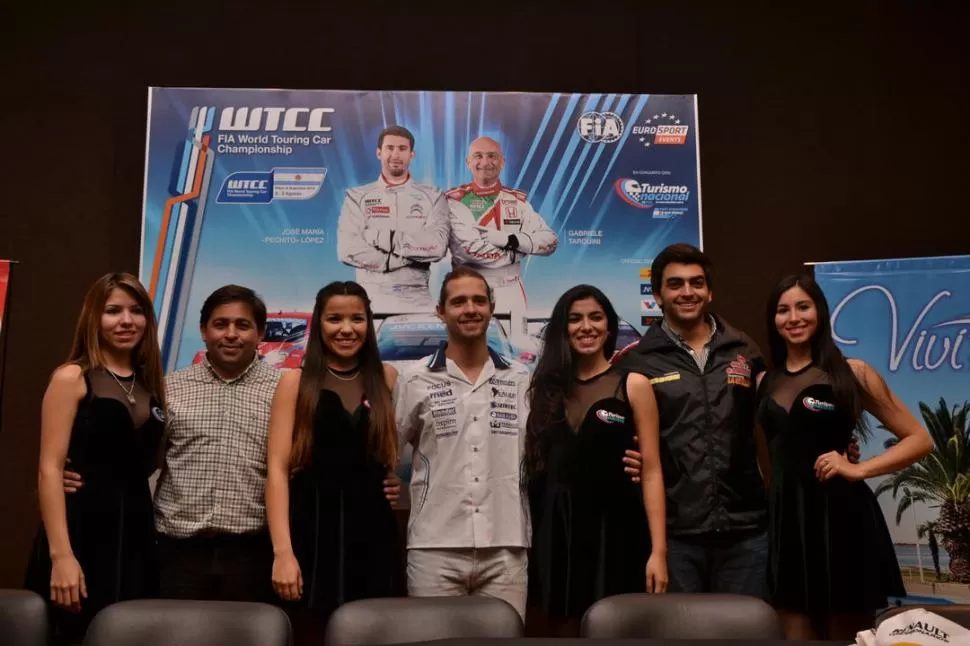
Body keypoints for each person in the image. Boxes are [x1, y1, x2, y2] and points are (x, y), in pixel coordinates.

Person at [757, 274, 931, 641]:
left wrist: (857, 468)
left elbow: (919, 440)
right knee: (793, 628)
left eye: (803, 307)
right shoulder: (764, 381)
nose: (794, 317)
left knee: (846, 636)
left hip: (840, 521)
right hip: (787, 523)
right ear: (773, 320)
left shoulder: (853, 373)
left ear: (819, 311)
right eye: (783, 310)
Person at [613, 243, 772, 598]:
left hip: (746, 531)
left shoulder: (743, 350)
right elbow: (613, 436)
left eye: (697, 283)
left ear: (710, 290)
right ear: (657, 294)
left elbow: (780, 414)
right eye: (676, 284)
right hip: (676, 536)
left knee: (745, 635)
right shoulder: (639, 362)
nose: (688, 292)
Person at [25, 273, 166, 645]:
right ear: (94, 318)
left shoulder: (149, 384)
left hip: (135, 536)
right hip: (81, 534)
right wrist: (62, 557)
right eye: (113, 311)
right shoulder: (72, 377)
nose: (126, 321)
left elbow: (144, 462)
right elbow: (50, 469)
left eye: (136, 311)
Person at [266, 281, 404, 644]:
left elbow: (393, 456)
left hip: (374, 536)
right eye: (335, 319)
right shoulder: (294, 383)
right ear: (319, 323)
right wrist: (283, 553)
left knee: (375, 633)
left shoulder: (388, 379)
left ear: (369, 323)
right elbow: (278, 472)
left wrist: (394, 482)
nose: (346, 328)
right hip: (311, 533)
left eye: (357, 318)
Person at [525, 285, 668, 636]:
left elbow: (650, 471)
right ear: (562, 328)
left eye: (595, 317)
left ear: (609, 326)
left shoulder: (633, 385)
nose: (585, 326)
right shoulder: (546, 388)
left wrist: (659, 551)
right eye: (575, 319)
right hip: (557, 535)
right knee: (562, 630)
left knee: (617, 628)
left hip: (616, 532)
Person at [393, 266, 533, 620]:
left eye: (478, 300)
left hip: (506, 545)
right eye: (458, 302)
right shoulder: (414, 379)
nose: (469, 309)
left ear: (491, 306)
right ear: (441, 311)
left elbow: (544, 450)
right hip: (434, 547)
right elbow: (386, 452)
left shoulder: (520, 378)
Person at [337, 125, 450, 314]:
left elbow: (437, 247)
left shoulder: (434, 196)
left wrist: (384, 238)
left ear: (412, 154)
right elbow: (347, 250)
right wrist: (398, 260)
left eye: (402, 149)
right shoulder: (357, 197)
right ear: (379, 153)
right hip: (369, 299)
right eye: (390, 148)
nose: (396, 155)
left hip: (417, 298)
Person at [446, 137, 558, 317]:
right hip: (468, 289)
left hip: (511, 290)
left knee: (514, 343)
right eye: (478, 156)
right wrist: (519, 251)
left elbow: (550, 240)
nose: (485, 162)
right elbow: (467, 250)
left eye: (492, 156)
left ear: (502, 162)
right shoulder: (455, 200)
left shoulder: (516, 201)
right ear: (468, 162)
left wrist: (510, 240)